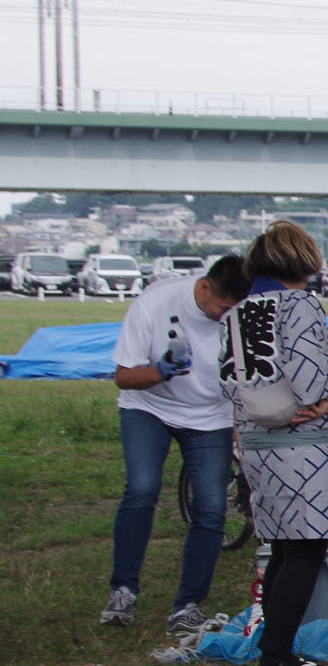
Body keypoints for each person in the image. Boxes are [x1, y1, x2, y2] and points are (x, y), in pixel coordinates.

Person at [219, 221, 328, 666]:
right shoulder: (299, 306)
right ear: (303, 261)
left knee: (284, 549)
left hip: (256, 440)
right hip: (304, 447)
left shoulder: (241, 310)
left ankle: (272, 646)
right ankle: (278, 653)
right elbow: (312, 380)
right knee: (308, 548)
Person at [100, 255, 250, 634]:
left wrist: (239, 431)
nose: (224, 317)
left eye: (233, 310)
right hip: (148, 408)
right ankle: (123, 591)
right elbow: (123, 377)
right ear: (204, 287)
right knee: (141, 489)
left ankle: (188, 605)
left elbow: (246, 381)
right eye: (222, 308)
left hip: (209, 417)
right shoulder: (154, 303)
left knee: (212, 508)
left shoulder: (242, 318)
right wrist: (159, 371)